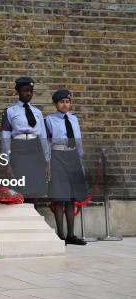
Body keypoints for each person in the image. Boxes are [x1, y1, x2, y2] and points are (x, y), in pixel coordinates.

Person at [45, 88, 87, 245]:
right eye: (61, 102)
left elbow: (78, 140)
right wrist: (47, 162)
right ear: (56, 104)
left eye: (67, 102)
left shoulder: (74, 119)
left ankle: (71, 235)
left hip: (73, 156)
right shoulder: (49, 120)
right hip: (58, 156)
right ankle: (60, 235)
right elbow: (47, 142)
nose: (65, 104)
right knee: (59, 197)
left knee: (71, 198)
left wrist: (80, 159)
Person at [1, 77, 49, 198]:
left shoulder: (37, 112)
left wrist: (47, 160)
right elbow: (5, 137)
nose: (28, 93)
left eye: (31, 91)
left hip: (35, 148)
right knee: (20, 186)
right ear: (18, 91)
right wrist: (6, 161)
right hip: (19, 149)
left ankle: (35, 215)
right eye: (25, 90)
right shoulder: (10, 111)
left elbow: (43, 136)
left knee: (36, 186)